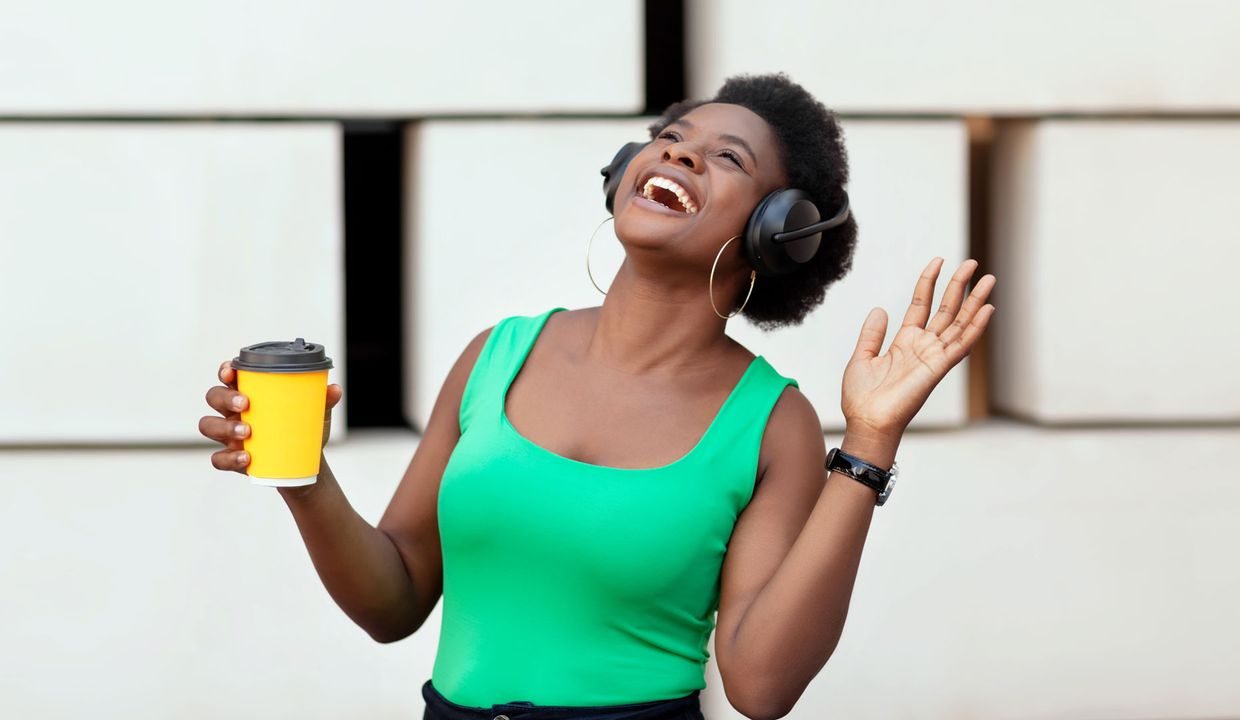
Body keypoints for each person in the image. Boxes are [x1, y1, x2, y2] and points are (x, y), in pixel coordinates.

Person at [199, 72, 995, 720]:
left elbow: (761, 686)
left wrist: (870, 441)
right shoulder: (497, 355)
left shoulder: (768, 422)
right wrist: (302, 480)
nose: (679, 157)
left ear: (775, 232)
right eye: (670, 139)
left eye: (727, 159)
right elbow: (395, 600)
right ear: (624, 171)